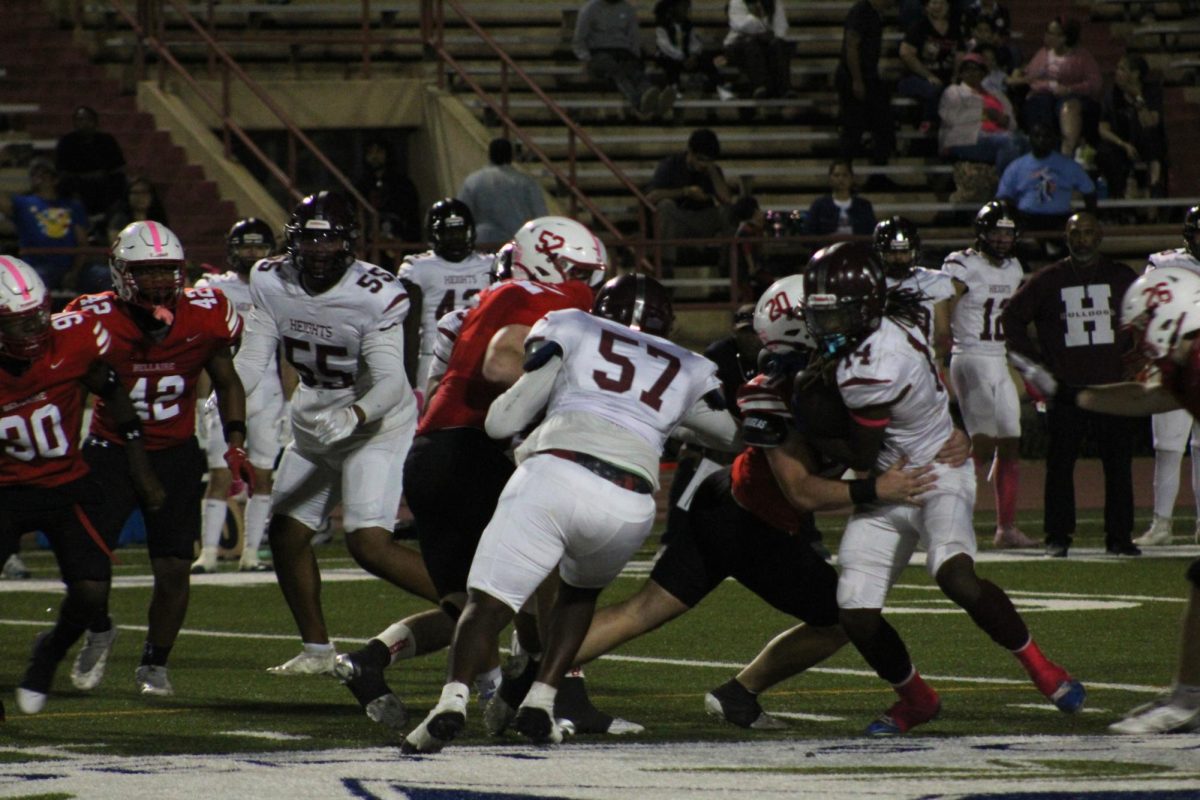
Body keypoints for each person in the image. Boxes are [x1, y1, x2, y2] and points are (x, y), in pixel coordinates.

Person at [544, 275, 952, 731]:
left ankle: (533, 674)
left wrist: (953, 436)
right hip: (752, 525)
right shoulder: (776, 392)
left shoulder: (843, 373)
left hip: (727, 504)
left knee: (644, 610)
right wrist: (877, 489)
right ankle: (748, 693)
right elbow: (801, 491)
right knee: (843, 618)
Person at [401, 274, 742, 753]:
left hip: (556, 475)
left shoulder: (573, 325)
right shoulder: (689, 365)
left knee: (489, 601)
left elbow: (502, 421)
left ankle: (451, 703)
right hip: (629, 503)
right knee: (579, 596)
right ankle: (542, 699)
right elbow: (730, 436)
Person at [334, 217, 616, 734]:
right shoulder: (548, 298)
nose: (588, 287)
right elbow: (503, 367)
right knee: (545, 569)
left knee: (471, 606)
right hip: (478, 452)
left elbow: (445, 379)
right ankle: (555, 687)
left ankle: (371, 660)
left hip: (430, 454)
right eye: (580, 273)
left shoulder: (482, 303)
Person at [801, 241, 1086, 734]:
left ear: (865, 308)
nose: (823, 327)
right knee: (855, 610)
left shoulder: (870, 367)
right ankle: (916, 700)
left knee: (953, 574)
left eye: (835, 316)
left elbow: (863, 458)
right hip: (896, 478)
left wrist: (812, 423)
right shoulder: (889, 322)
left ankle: (1043, 668)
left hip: (932, 473)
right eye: (819, 314)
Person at [230, 191, 427, 677]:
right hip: (314, 414)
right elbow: (254, 358)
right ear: (292, 241)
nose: (319, 250)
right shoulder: (269, 279)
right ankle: (317, 649)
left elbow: (391, 382)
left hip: (374, 424)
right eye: (310, 239)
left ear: (349, 242)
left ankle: (475, 605)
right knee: (286, 532)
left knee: (368, 544)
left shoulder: (376, 293)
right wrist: (226, 397)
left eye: (330, 239)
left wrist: (355, 417)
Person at [65, 221, 249, 697]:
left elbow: (227, 381)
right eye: (146, 273)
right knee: (86, 567)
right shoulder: (92, 317)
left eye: (166, 271)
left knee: (173, 570)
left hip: (173, 454)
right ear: (122, 273)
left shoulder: (206, 314)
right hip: (110, 453)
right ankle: (99, 628)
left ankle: (154, 664)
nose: (159, 282)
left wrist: (234, 442)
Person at [3, 256, 164, 714]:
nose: (33, 329)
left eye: (37, 316)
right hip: (5, 492)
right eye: (18, 323)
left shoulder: (72, 338)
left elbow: (111, 389)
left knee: (92, 592)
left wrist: (139, 464)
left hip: (64, 484)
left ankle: (48, 654)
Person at [1053, 266, 1200, 734]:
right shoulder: (1191, 358)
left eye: (1141, 328)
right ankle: (1188, 698)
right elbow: (1147, 397)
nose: (1138, 342)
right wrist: (1071, 396)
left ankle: (1187, 701)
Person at [1001, 212, 1140, 558]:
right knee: (1060, 465)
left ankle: (1120, 536)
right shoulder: (1050, 279)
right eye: (1076, 233)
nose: (1082, 239)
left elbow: (1147, 319)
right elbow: (1011, 318)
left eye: (1089, 232)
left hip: (1112, 389)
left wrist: (1134, 360)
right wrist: (1038, 364)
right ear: (1066, 236)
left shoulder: (1121, 277)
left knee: (1119, 464)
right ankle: (1057, 536)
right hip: (1066, 389)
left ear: (1101, 235)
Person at [191, 218, 290, 575]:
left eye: (259, 247)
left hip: (268, 391)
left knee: (263, 475)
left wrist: (291, 402)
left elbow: (287, 354)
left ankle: (250, 553)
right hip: (224, 388)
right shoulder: (215, 289)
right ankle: (210, 553)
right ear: (233, 250)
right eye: (246, 246)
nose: (252, 253)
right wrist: (201, 400)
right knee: (219, 474)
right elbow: (205, 351)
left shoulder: (281, 287)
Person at [943, 200, 1036, 548]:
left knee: (1010, 440)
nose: (1001, 238)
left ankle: (1005, 527)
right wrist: (938, 350)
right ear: (982, 233)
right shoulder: (962, 264)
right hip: (969, 355)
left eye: (1007, 232)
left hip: (998, 358)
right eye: (996, 231)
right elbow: (944, 306)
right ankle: (949, 518)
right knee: (981, 443)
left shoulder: (1014, 268)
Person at [1134, 207, 1200, 546]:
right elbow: (1144, 310)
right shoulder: (1165, 264)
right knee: (1168, 448)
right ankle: (1162, 523)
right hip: (1175, 365)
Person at [397, 198, 494, 400]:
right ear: (434, 235)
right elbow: (409, 326)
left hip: (478, 354)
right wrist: (407, 371)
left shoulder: (490, 264)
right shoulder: (419, 268)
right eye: (448, 233)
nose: (455, 239)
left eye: (459, 232)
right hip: (434, 357)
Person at [1007, 17, 1102, 159]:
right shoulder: (1043, 53)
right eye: (1047, 32)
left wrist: (1070, 89)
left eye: (1051, 33)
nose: (1047, 36)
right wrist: (1019, 74)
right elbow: (1030, 73)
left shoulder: (1082, 57)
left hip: (1069, 96)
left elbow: (1095, 83)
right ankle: (1041, 151)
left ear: (1064, 38)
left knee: (1069, 108)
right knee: (1040, 106)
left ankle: (1067, 153)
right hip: (1041, 95)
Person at [645, 128, 734, 274]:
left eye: (709, 161)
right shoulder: (671, 165)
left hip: (701, 219)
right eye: (700, 159)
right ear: (690, 153)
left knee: (727, 212)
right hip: (678, 220)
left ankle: (727, 264)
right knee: (665, 206)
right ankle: (666, 266)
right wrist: (685, 192)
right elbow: (651, 197)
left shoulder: (712, 170)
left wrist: (712, 171)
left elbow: (727, 200)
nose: (703, 164)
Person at [573, 0, 675, 122]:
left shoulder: (628, 9)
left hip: (624, 52)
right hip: (598, 53)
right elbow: (579, 40)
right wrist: (586, 59)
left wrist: (636, 58)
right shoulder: (589, 9)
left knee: (636, 72)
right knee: (617, 70)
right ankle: (638, 103)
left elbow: (634, 37)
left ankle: (654, 100)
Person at [996, 123, 1096, 243]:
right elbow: (1004, 197)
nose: (1041, 140)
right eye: (1037, 136)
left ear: (1053, 138)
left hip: (1059, 219)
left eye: (1046, 136)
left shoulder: (1069, 166)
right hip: (1027, 219)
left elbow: (1089, 191)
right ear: (1029, 138)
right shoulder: (1016, 167)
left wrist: (1090, 218)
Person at [1, 159, 90, 291]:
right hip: (37, 267)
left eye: (44, 173)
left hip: (72, 266)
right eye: (35, 174)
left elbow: (82, 243)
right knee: (36, 279)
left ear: (55, 179)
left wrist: (74, 272)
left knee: (103, 276)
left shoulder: (72, 205)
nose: (40, 177)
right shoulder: (23, 203)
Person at [938, 53, 1027, 175]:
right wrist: (985, 112)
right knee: (1008, 141)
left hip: (996, 136)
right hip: (965, 138)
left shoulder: (996, 94)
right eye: (967, 70)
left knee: (1024, 141)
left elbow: (1011, 123)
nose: (971, 73)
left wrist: (1003, 120)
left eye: (975, 70)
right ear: (961, 73)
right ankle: (1005, 187)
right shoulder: (953, 91)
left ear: (983, 73)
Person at [1096, 54, 1167, 200]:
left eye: (1122, 69)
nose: (1117, 72)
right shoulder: (1112, 95)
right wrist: (1122, 144)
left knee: (1154, 142)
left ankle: (1155, 191)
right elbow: (1102, 128)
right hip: (1121, 143)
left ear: (1135, 74)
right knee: (1105, 152)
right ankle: (1118, 198)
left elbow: (1150, 122)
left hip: (1144, 142)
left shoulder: (1151, 92)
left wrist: (1138, 98)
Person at [835, 0, 895, 165]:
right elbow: (851, 46)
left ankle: (879, 170)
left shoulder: (874, 13)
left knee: (884, 123)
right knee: (852, 128)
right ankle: (845, 169)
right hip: (854, 76)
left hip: (868, 76)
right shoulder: (861, 11)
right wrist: (857, 80)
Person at [457, 139, 548, 247]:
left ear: (490, 155)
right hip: (517, 242)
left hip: (483, 243)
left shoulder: (473, 181)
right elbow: (541, 216)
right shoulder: (526, 182)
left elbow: (462, 214)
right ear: (511, 156)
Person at [897, 0, 962, 135]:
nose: (937, 7)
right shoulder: (918, 27)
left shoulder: (955, 28)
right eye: (933, 2)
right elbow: (906, 53)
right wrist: (928, 75)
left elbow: (960, 55)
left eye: (941, 3)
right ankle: (928, 122)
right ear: (926, 7)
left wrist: (956, 77)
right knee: (936, 90)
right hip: (916, 78)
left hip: (946, 78)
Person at [354, 137, 421, 267]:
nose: (374, 157)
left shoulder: (403, 185)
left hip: (398, 247)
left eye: (379, 152)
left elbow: (412, 219)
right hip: (369, 249)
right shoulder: (360, 186)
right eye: (370, 152)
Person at [54, 106, 127, 221]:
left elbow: (118, 166)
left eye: (88, 119)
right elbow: (61, 169)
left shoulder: (107, 140)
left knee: (119, 181)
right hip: (76, 183)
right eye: (80, 119)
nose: (84, 123)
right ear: (74, 123)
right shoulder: (66, 142)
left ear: (95, 122)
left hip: (104, 182)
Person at [653, 0, 728, 99]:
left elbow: (694, 42)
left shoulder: (687, 25)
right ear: (673, 8)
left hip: (686, 58)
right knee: (670, 63)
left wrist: (693, 55)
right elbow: (665, 46)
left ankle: (720, 86)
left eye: (688, 8)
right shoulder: (662, 25)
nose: (686, 11)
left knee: (707, 60)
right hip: (669, 57)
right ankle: (674, 88)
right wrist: (682, 58)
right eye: (683, 7)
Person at [723, 0, 793, 100]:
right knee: (751, 44)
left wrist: (772, 36)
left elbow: (781, 26)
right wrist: (763, 27)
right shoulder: (737, 2)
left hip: (765, 42)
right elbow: (742, 25)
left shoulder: (775, 2)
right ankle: (760, 86)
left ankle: (785, 89)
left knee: (778, 44)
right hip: (738, 44)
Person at [802, 160, 877, 237]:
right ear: (830, 178)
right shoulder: (819, 205)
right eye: (836, 175)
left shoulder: (864, 205)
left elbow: (872, 233)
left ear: (851, 178)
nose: (841, 179)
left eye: (845, 175)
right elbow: (808, 233)